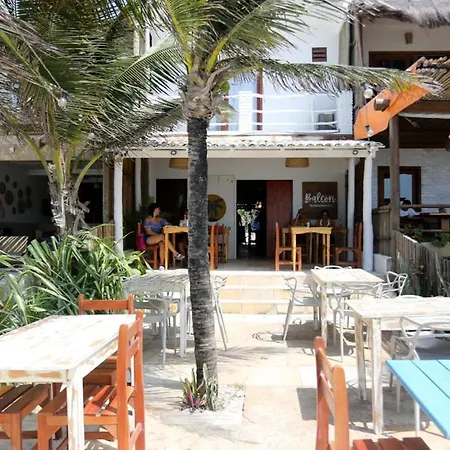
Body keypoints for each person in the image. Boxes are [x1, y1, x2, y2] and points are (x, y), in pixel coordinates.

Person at [143, 203, 184, 270]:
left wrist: (174, 227)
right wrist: (159, 236)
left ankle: (162, 265)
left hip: (159, 238)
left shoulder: (160, 220)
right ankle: (175, 253)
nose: (159, 211)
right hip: (149, 238)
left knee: (162, 243)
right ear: (154, 210)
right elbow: (149, 232)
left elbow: (168, 224)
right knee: (162, 237)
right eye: (158, 209)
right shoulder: (148, 220)